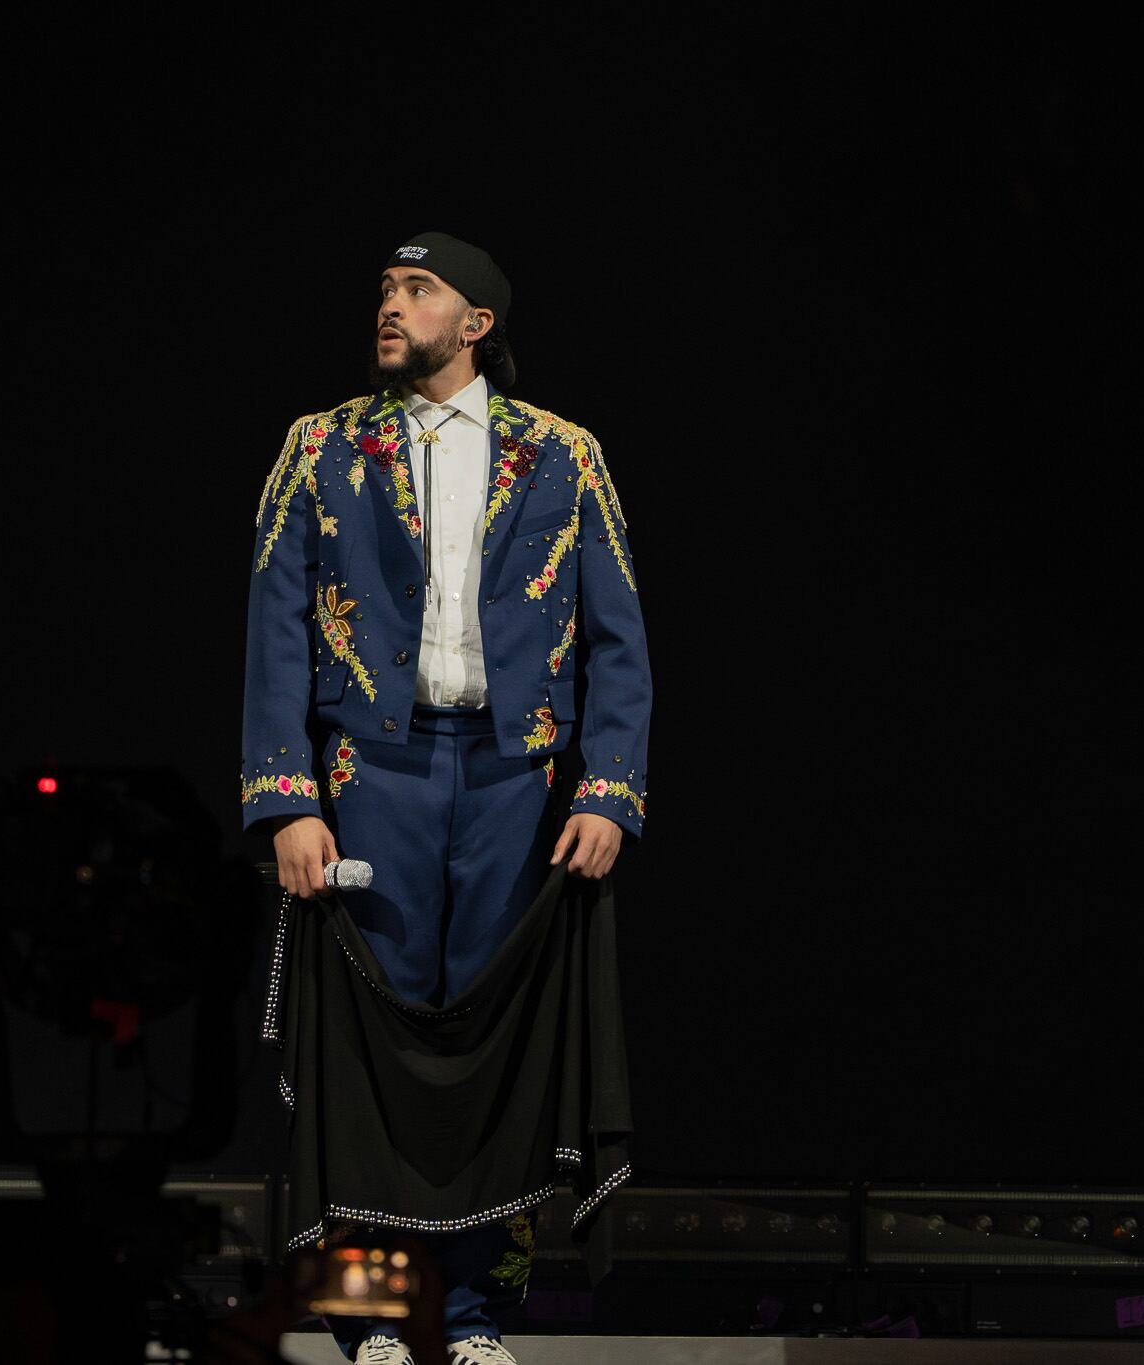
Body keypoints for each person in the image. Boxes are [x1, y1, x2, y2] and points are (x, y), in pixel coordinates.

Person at [240, 231, 652, 1365]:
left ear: (475, 323)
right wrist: (285, 799)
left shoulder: (563, 453)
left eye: (417, 289)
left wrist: (608, 788)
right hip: (371, 773)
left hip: (516, 779)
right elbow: (274, 626)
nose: (390, 303)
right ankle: (374, 1319)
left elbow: (618, 637)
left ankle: (469, 1316)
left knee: (495, 1043)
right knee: (368, 1048)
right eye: (384, 286)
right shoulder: (322, 444)